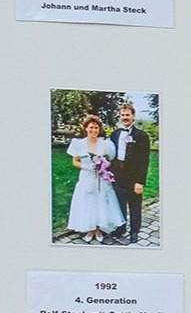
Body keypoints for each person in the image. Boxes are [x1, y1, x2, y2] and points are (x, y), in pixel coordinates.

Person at [65, 113, 126, 244]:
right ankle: (90, 229)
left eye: (96, 128)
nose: (94, 130)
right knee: (88, 202)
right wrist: (86, 166)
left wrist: (104, 164)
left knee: (100, 202)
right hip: (86, 178)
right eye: (91, 127)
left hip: (101, 179)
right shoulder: (79, 144)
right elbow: (74, 161)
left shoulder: (105, 144)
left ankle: (98, 228)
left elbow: (109, 160)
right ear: (86, 128)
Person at [110, 102, 152, 245]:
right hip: (118, 176)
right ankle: (121, 228)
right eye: (122, 115)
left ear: (133, 116)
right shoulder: (114, 135)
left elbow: (144, 161)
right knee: (119, 204)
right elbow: (111, 156)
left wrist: (140, 181)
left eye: (128, 115)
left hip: (133, 177)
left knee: (134, 206)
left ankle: (134, 231)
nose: (125, 117)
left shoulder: (141, 136)